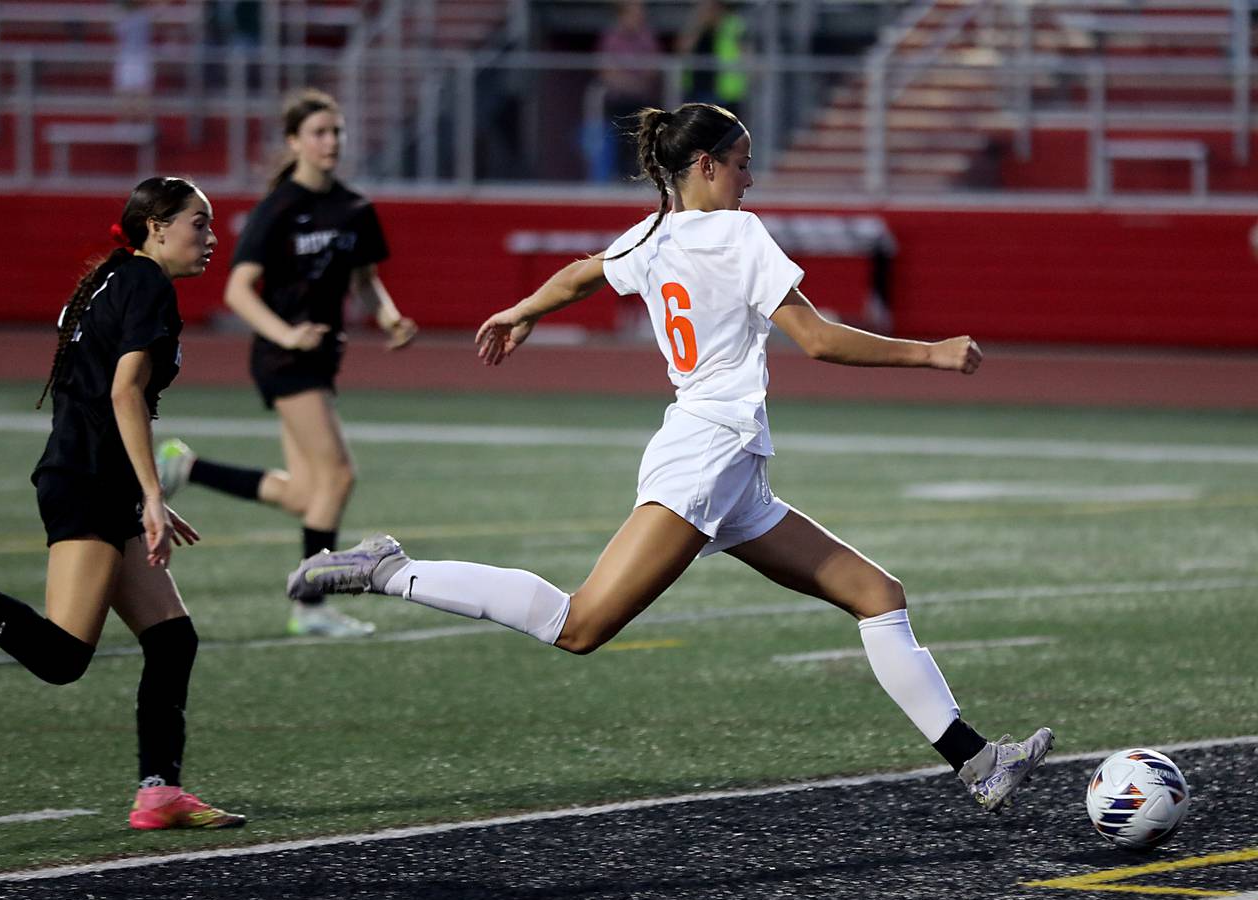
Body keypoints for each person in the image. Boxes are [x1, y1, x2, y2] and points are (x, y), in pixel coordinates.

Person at [290, 103, 1054, 813]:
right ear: (708, 166)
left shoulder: (654, 234)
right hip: (706, 455)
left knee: (877, 594)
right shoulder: (738, 232)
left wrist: (523, 310)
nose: (752, 177)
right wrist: (932, 353)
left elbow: (583, 271)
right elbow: (818, 339)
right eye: (744, 161)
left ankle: (979, 763)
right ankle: (389, 569)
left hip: (728, 463)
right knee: (579, 624)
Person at [0, 177, 244, 831]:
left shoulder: (115, 278)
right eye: (199, 223)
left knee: (172, 639)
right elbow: (124, 395)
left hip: (94, 476)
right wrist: (149, 493)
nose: (211, 237)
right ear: (156, 228)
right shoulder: (147, 284)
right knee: (62, 657)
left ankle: (158, 792)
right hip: (88, 482)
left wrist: (139, 492)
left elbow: (98, 399)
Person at [156, 89, 417, 638]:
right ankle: (312, 602)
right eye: (319, 132)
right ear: (294, 140)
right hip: (282, 358)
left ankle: (188, 467)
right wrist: (288, 334)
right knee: (339, 476)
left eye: (337, 132)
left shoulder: (354, 207)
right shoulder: (277, 208)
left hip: (322, 359)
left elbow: (365, 281)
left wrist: (390, 317)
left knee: (306, 493)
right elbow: (237, 290)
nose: (330, 142)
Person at [595, 0, 664, 182]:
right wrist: (633, 82)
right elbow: (607, 73)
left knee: (642, 142)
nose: (638, 17)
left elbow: (652, 71)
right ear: (623, 16)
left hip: (642, 102)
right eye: (634, 13)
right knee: (618, 140)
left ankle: (639, 178)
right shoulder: (612, 38)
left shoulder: (647, 38)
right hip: (617, 101)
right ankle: (616, 177)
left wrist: (632, 82)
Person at [677, 0, 749, 121]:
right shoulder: (695, 25)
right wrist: (699, 25)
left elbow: (746, 54)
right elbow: (682, 50)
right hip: (697, 91)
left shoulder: (733, 24)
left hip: (727, 94)